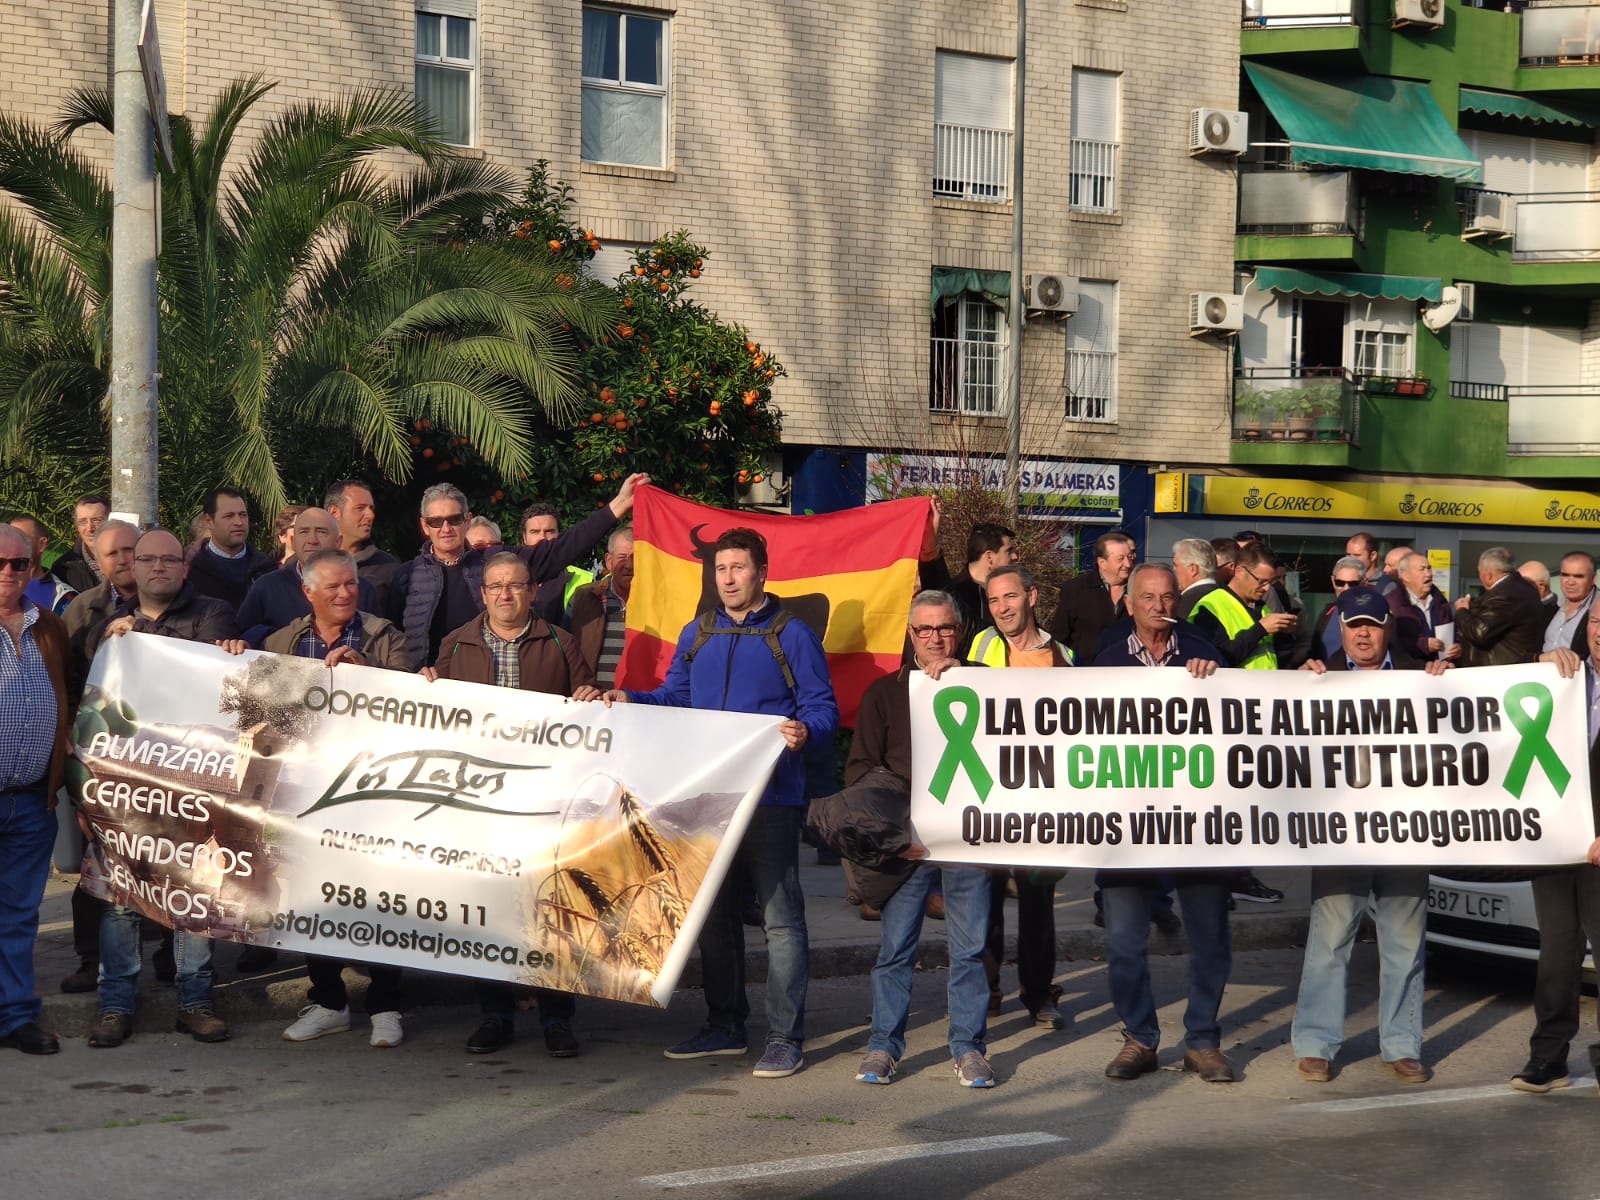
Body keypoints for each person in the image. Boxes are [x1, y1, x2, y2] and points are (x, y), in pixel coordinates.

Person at [576, 527, 838, 1079]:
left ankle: (785, 1037)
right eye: (722, 570)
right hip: (708, 802)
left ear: (762, 573)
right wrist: (628, 698)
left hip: (770, 798)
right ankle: (725, 1026)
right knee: (713, 916)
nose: (729, 578)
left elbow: (823, 709)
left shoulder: (791, 634)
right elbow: (675, 700)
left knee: (780, 919)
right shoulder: (697, 632)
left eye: (739, 568)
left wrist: (803, 732)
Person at [227, 550, 412, 1047]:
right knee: (310, 897)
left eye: (351, 584)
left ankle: (386, 1006)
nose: (345, 593)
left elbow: (415, 702)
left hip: (368, 793)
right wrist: (233, 653)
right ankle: (328, 1000)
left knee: (378, 896)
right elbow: (256, 713)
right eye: (332, 587)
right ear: (307, 591)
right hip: (303, 794)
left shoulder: (383, 634)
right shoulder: (282, 641)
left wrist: (368, 673)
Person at [421, 552, 593, 1058]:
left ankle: (557, 1018)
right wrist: (426, 684)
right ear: (483, 594)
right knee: (487, 909)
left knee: (551, 910)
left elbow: (590, 709)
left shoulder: (561, 643)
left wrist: (589, 695)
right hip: (478, 803)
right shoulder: (455, 645)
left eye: (514, 586)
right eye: (495, 586)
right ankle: (494, 1014)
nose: (504, 595)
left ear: (532, 590)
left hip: (544, 801)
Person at [85, 528, 239, 1048]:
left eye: (167, 560)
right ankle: (114, 1006)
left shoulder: (214, 614)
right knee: (122, 897)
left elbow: (205, 675)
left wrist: (144, 639)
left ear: (184, 566)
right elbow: (96, 696)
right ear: (133, 567)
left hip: (195, 780)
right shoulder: (110, 625)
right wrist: (117, 639)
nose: (156, 568)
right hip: (126, 786)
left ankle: (195, 1002)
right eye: (145, 559)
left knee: (194, 891)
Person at [1292, 586, 1450, 1086]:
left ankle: (1401, 1044)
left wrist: (1445, 685)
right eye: (1354, 625)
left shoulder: (1420, 682)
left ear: (1387, 628)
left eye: (1373, 624)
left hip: (1405, 833)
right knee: (1330, 940)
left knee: (1405, 943)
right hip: (1340, 835)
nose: (1363, 634)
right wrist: (1294, 686)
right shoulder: (1317, 681)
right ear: (1340, 628)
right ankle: (1316, 1043)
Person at [1092, 564, 1234, 1083]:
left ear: (1179, 601)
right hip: (1127, 828)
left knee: (1210, 936)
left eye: (1168, 597)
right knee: (1125, 942)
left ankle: (1203, 1040)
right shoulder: (1105, 664)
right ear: (1129, 603)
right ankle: (1139, 1038)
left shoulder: (1206, 657)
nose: (1159, 606)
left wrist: (1216, 682)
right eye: (1147, 597)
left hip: (1198, 826)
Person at [850, 590, 995, 1088]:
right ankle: (883, 1046)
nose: (935, 638)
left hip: (969, 840)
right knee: (894, 950)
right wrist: (893, 836)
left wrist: (963, 680)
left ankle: (969, 1048)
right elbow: (861, 772)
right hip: (907, 845)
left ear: (960, 629)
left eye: (945, 628)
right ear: (910, 634)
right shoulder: (885, 692)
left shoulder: (988, 683)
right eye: (924, 630)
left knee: (970, 950)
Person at [394, 479, 643, 671]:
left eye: (454, 519)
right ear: (425, 526)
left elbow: (561, 550)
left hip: (491, 685)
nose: (446, 528)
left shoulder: (496, 561)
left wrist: (618, 504)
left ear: (467, 522)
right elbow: (393, 643)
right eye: (436, 522)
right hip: (426, 699)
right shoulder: (407, 576)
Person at [969, 565, 1071, 1028]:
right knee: (986, 896)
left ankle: (1037, 994)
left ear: (1031, 596)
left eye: (1009, 598)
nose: (1001, 609)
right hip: (988, 790)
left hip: (1042, 795)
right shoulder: (981, 647)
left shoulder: (1064, 654)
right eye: (993, 601)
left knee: (1037, 900)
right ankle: (988, 991)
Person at [1508, 607, 1600, 1093]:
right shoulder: (1560, 676)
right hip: (1556, 843)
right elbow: (1492, 672)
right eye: (1595, 623)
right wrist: (1537, 658)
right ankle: (1549, 1058)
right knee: (1557, 953)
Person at [57, 518, 139, 995]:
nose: (125, 560)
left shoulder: (171, 608)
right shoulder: (83, 611)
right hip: (95, 755)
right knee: (95, 858)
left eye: (132, 549)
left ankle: (169, 959)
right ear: (99, 562)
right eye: (114, 554)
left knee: (160, 855)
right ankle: (91, 960)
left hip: (154, 754)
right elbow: (65, 681)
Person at [0, 523, 70, 1055]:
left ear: (32, 567)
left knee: (21, 914)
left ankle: (17, 1016)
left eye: (17, 564)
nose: (7, 573)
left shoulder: (48, 626)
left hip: (30, 800)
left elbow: (64, 696)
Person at [1190, 540, 1289, 906]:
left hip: (1257, 720)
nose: (1266, 588)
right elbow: (1215, 657)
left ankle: (1235, 877)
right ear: (1240, 571)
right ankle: (1226, 880)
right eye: (1262, 581)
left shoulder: (1252, 606)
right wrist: (1261, 629)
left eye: (1270, 583)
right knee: (1230, 805)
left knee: (1248, 805)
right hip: (1229, 721)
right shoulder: (1211, 606)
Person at [236, 507, 382, 647]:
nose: (312, 540)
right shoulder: (266, 587)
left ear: (338, 542)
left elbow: (378, 643)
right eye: (304, 532)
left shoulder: (361, 590)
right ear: (293, 541)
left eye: (321, 532)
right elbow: (242, 638)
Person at [1048, 530, 1135, 667]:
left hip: (1128, 671)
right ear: (1102, 562)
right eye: (1120, 559)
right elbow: (1059, 637)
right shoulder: (1076, 589)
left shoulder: (1139, 589)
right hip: (1085, 673)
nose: (1128, 564)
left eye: (1130, 557)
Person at [185, 487, 278, 610]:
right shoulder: (188, 570)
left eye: (243, 515)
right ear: (209, 521)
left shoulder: (267, 568)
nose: (239, 522)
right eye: (229, 516)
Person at [1453, 547, 1546, 667]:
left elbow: (1479, 632)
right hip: (1517, 665)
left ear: (1488, 575)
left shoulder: (1505, 595)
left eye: (1479, 572)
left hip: (1502, 672)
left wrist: (1462, 610)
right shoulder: (1524, 588)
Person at [567, 527, 635, 689]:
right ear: (609, 561)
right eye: (622, 557)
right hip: (593, 702)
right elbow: (566, 650)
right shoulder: (585, 597)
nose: (629, 565)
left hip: (640, 703)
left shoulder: (655, 601)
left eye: (636, 557)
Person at [325, 480, 400, 604]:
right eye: (360, 508)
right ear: (334, 513)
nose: (370, 515)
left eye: (371, 508)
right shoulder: (308, 563)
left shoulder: (388, 568)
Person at [520, 502, 595, 621]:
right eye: (535, 532)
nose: (542, 538)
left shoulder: (583, 580)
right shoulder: (508, 579)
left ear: (560, 535)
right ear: (524, 537)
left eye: (550, 531)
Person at [947, 523, 1018, 641]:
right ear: (989, 557)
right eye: (1009, 551)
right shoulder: (953, 595)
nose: (1015, 557)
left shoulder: (1017, 590)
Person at [1388, 552, 1459, 664]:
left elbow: (1454, 633)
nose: (1428, 574)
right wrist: (1424, 645)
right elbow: (1390, 641)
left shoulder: (1440, 601)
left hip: (1442, 671)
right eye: (1422, 570)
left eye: (1429, 568)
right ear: (1406, 576)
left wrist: (1457, 648)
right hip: (1410, 672)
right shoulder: (1393, 602)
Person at [7, 515, 76, 616]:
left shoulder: (64, 598)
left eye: (23, 538)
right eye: (11, 538)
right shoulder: (3, 585)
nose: (15, 544)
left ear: (42, 545)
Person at [50, 493, 109, 594]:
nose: (90, 528)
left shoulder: (127, 560)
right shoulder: (63, 568)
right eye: (82, 522)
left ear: (110, 521)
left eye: (96, 520)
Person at [1543, 551, 1596, 662]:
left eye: (1578, 576)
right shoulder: (1551, 607)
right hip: (1543, 677)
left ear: (1593, 579)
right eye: (1565, 575)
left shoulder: (1597, 608)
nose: (1570, 582)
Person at [1173, 537, 1219, 621]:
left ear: (1193, 569)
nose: (1173, 570)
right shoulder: (1227, 595)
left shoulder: (1185, 603)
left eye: (1176, 565)